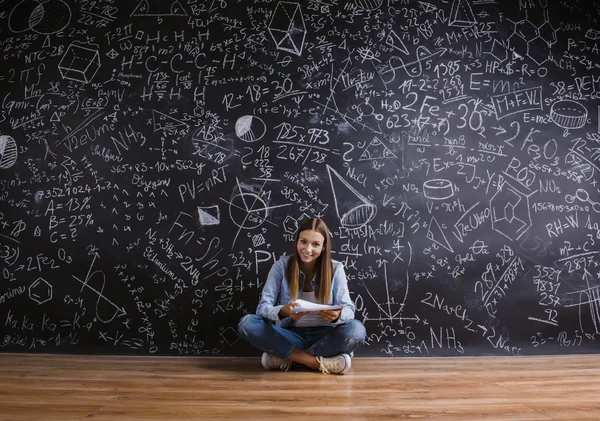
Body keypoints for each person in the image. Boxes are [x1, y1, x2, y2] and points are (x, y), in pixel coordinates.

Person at [238, 217, 366, 374]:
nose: (308, 249)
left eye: (315, 244)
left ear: (324, 247)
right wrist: (284, 311)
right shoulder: (280, 266)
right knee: (247, 323)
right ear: (297, 241)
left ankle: (289, 358)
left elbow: (349, 309)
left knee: (357, 330)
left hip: (325, 335)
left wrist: (336, 316)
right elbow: (263, 308)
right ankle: (316, 363)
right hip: (290, 334)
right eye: (303, 241)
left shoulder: (335, 268)